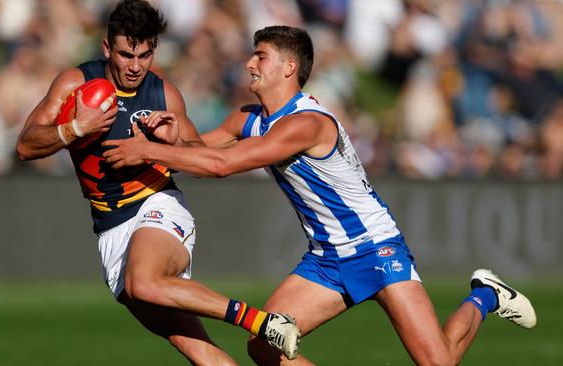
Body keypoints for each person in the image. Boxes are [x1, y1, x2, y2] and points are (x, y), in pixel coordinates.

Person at [101, 25, 538, 365]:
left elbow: (222, 166)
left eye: (261, 56)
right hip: (326, 259)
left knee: (438, 360)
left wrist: (146, 149)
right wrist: (171, 139)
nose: (250, 64)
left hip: (376, 248)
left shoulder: (307, 123)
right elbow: (200, 153)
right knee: (262, 346)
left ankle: (486, 294)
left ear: (288, 68)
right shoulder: (247, 119)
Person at [16, 2, 301, 364]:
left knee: (145, 281)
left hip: (158, 206)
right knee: (201, 352)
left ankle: (261, 321)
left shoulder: (164, 94)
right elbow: (25, 145)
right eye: (125, 55)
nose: (135, 66)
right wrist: (77, 128)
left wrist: (173, 144)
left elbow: (200, 160)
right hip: (111, 232)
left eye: (145, 55)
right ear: (107, 49)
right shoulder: (77, 84)